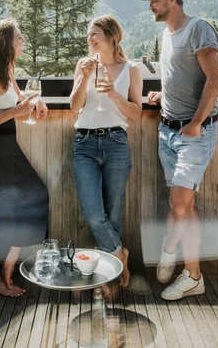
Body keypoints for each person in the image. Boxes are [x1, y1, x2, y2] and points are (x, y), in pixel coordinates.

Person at [138, 0, 218, 301]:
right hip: (168, 129)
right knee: (184, 206)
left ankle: (171, 247)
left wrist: (197, 122)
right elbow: (183, 76)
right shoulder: (166, 34)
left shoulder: (198, 28)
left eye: (154, 0)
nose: (150, 6)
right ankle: (192, 276)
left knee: (178, 203)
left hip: (194, 133)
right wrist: (165, 95)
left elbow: (215, 80)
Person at [0, 18, 50, 297]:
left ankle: (8, 265)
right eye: (19, 37)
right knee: (0, 213)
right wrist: (16, 113)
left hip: (7, 143)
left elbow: (20, 97)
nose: (23, 41)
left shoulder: (7, 68)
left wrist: (36, 101)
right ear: (6, 42)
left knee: (36, 195)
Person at [69, 15, 143, 288]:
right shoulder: (83, 65)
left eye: (94, 34)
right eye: (88, 35)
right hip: (85, 144)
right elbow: (74, 107)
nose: (89, 39)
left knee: (112, 214)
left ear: (112, 37)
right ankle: (119, 255)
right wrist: (83, 78)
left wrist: (112, 93)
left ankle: (108, 279)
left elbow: (136, 113)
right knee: (93, 215)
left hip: (116, 143)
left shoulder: (131, 69)